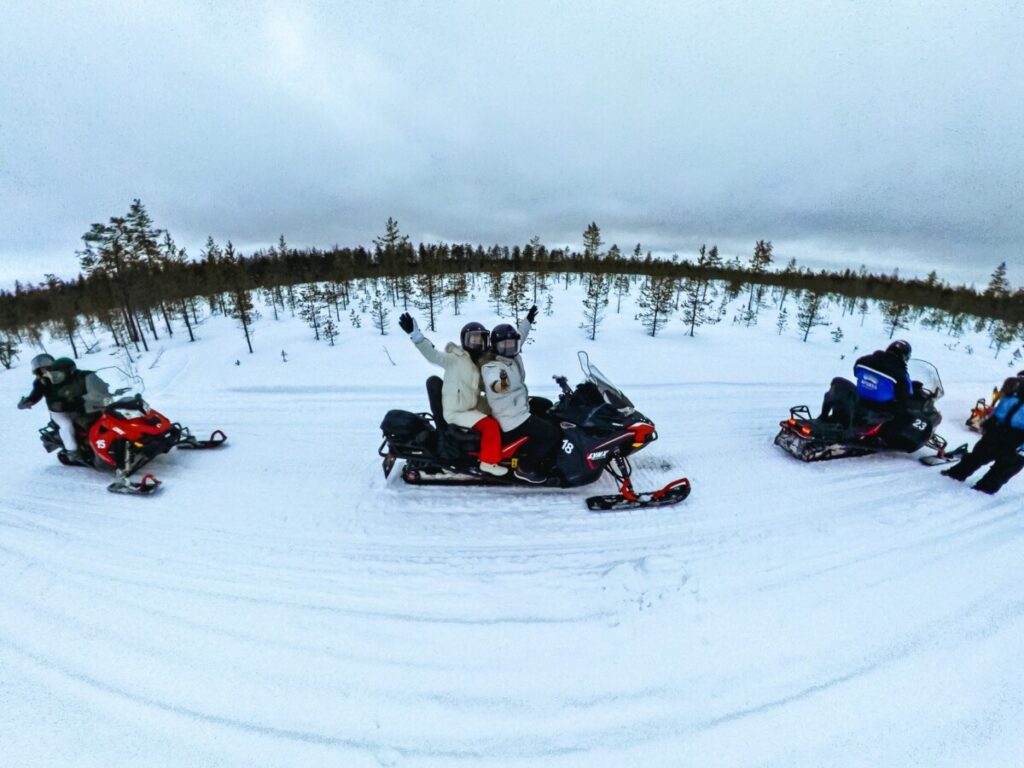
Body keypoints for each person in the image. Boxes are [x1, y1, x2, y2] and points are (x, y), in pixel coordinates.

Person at [399, 313, 506, 476]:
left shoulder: (479, 364)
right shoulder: (454, 359)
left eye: (481, 339)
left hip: (470, 406)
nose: (477, 343)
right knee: (490, 426)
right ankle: (488, 462)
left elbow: (486, 386)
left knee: (500, 414)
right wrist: (417, 337)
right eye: (473, 339)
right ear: (464, 340)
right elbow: (433, 355)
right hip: (456, 412)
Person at [480, 308, 558, 483]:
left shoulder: (512, 354)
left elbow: (519, 335)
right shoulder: (492, 367)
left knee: (546, 405)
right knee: (550, 433)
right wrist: (501, 383)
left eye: (512, 344)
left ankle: (544, 451)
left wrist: (528, 320)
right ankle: (526, 467)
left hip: (518, 404)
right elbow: (496, 385)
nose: (509, 348)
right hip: (510, 417)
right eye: (504, 345)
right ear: (495, 346)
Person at [18, 354, 114, 461]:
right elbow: (35, 395)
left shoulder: (62, 374)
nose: (44, 371)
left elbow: (80, 383)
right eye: (40, 370)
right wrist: (28, 401)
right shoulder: (40, 382)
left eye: (47, 368)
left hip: (77, 406)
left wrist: (100, 387)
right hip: (58, 410)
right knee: (66, 425)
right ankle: (72, 451)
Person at [942, 372, 1024, 494]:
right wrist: (991, 421)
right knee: (987, 457)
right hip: (1006, 433)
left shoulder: (1013, 394)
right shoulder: (1013, 394)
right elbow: (1002, 409)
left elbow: (1003, 410)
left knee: (995, 461)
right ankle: (966, 477)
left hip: (1009, 435)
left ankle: (975, 483)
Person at [820, 339, 914, 427]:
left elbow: (856, 373)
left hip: (856, 400)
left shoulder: (864, 360)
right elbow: (904, 395)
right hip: (878, 408)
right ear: (905, 357)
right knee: (905, 414)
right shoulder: (900, 373)